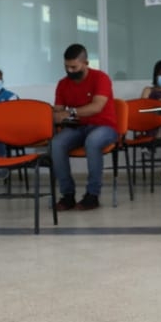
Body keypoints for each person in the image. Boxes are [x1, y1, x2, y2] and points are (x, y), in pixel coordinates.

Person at [50, 44, 118, 212]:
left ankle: (92, 195)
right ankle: (67, 195)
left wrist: (69, 112)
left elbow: (96, 107)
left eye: (74, 67)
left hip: (105, 126)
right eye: (66, 66)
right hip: (78, 127)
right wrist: (57, 114)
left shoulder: (101, 78)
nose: (70, 70)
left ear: (86, 63)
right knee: (56, 144)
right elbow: (58, 110)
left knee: (93, 142)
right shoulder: (63, 84)